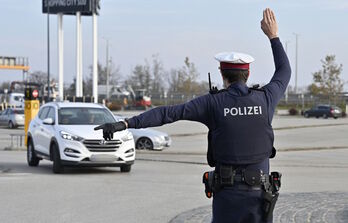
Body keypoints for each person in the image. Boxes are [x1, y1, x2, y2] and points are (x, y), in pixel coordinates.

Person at [95, 8, 290, 223]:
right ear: (248, 73)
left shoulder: (212, 103)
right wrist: (274, 36)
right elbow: (284, 72)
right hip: (259, 196)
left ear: (222, 73)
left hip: (227, 198)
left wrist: (125, 123)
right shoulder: (266, 99)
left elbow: (168, 113)